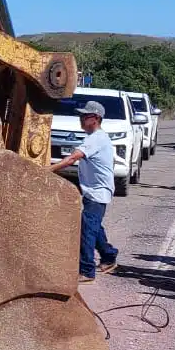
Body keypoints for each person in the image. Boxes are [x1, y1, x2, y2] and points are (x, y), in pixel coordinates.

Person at [48, 101, 119, 280]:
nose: (80, 119)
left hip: (98, 192)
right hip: (95, 191)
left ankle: (87, 270)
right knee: (93, 227)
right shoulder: (96, 137)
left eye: (84, 116)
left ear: (95, 118)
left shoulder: (96, 138)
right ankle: (109, 256)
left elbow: (72, 158)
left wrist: (46, 170)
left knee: (87, 229)